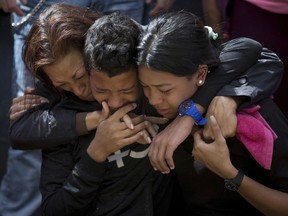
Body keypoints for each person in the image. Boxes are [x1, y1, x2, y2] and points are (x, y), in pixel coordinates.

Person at [136, 10, 288, 215]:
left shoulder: (249, 113)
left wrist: (230, 174)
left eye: (165, 90)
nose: (153, 100)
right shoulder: (154, 107)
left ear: (200, 73)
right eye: (145, 87)